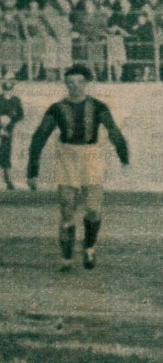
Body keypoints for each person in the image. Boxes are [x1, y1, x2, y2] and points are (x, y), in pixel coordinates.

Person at [26, 64, 130, 271]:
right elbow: (39, 137)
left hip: (91, 157)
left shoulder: (98, 107)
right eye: (70, 82)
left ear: (86, 83)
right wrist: (32, 171)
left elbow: (113, 131)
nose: (75, 86)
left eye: (79, 82)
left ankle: (89, 247)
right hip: (67, 158)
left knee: (93, 209)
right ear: (66, 84)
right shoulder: (56, 108)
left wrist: (123, 156)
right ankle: (66, 258)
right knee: (67, 211)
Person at [0, 73, 23, 190]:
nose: (7, 90)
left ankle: (8, 179)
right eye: (6, 82)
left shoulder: (16, 100)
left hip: (9, 132)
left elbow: (20, 115)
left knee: (6, 153)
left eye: (10, 82)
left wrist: (11, 119)